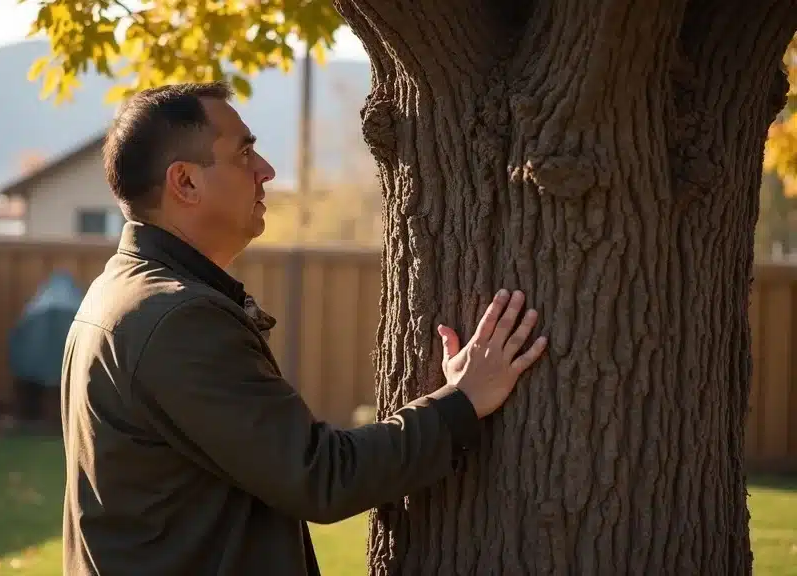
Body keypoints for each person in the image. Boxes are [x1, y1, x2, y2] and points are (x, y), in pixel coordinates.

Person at [60, 81, 548, 576]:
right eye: (244, 153)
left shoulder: (118, 292)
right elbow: (319, 475)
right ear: (185, 183)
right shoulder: (177, 320)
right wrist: (462, 402)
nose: (266, 171)